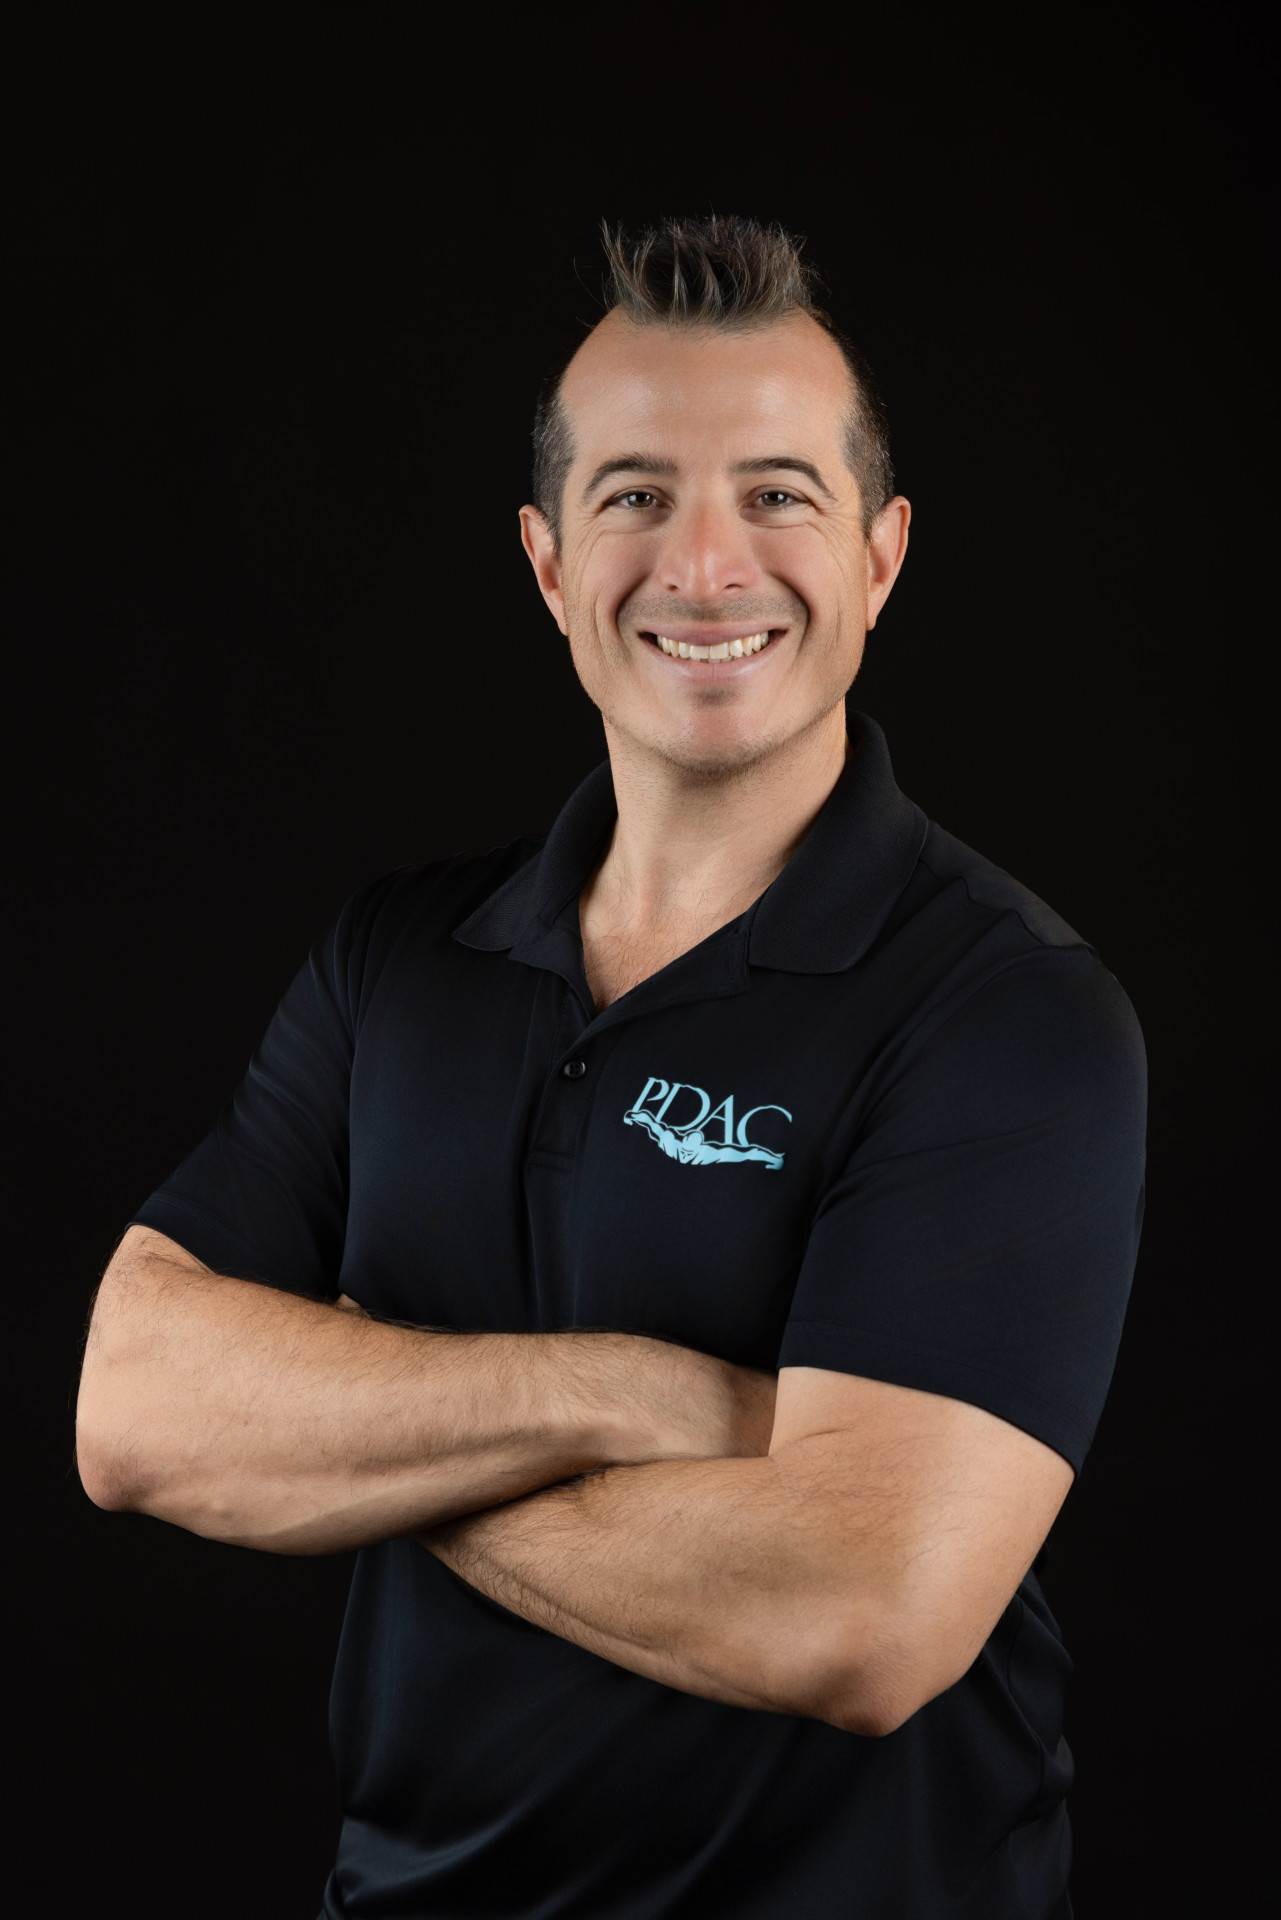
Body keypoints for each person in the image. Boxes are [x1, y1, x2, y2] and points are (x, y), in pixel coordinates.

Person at [76, 214, 1146, 1919]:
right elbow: (135, 1409)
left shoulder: (1003, 1013)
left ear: (879, 557)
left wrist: (352, 1436)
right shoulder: (400, 957)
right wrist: (633, 1394)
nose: (705, 567)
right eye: (635, 496)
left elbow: (857, 1616)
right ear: (547, 564)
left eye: (776, 494)